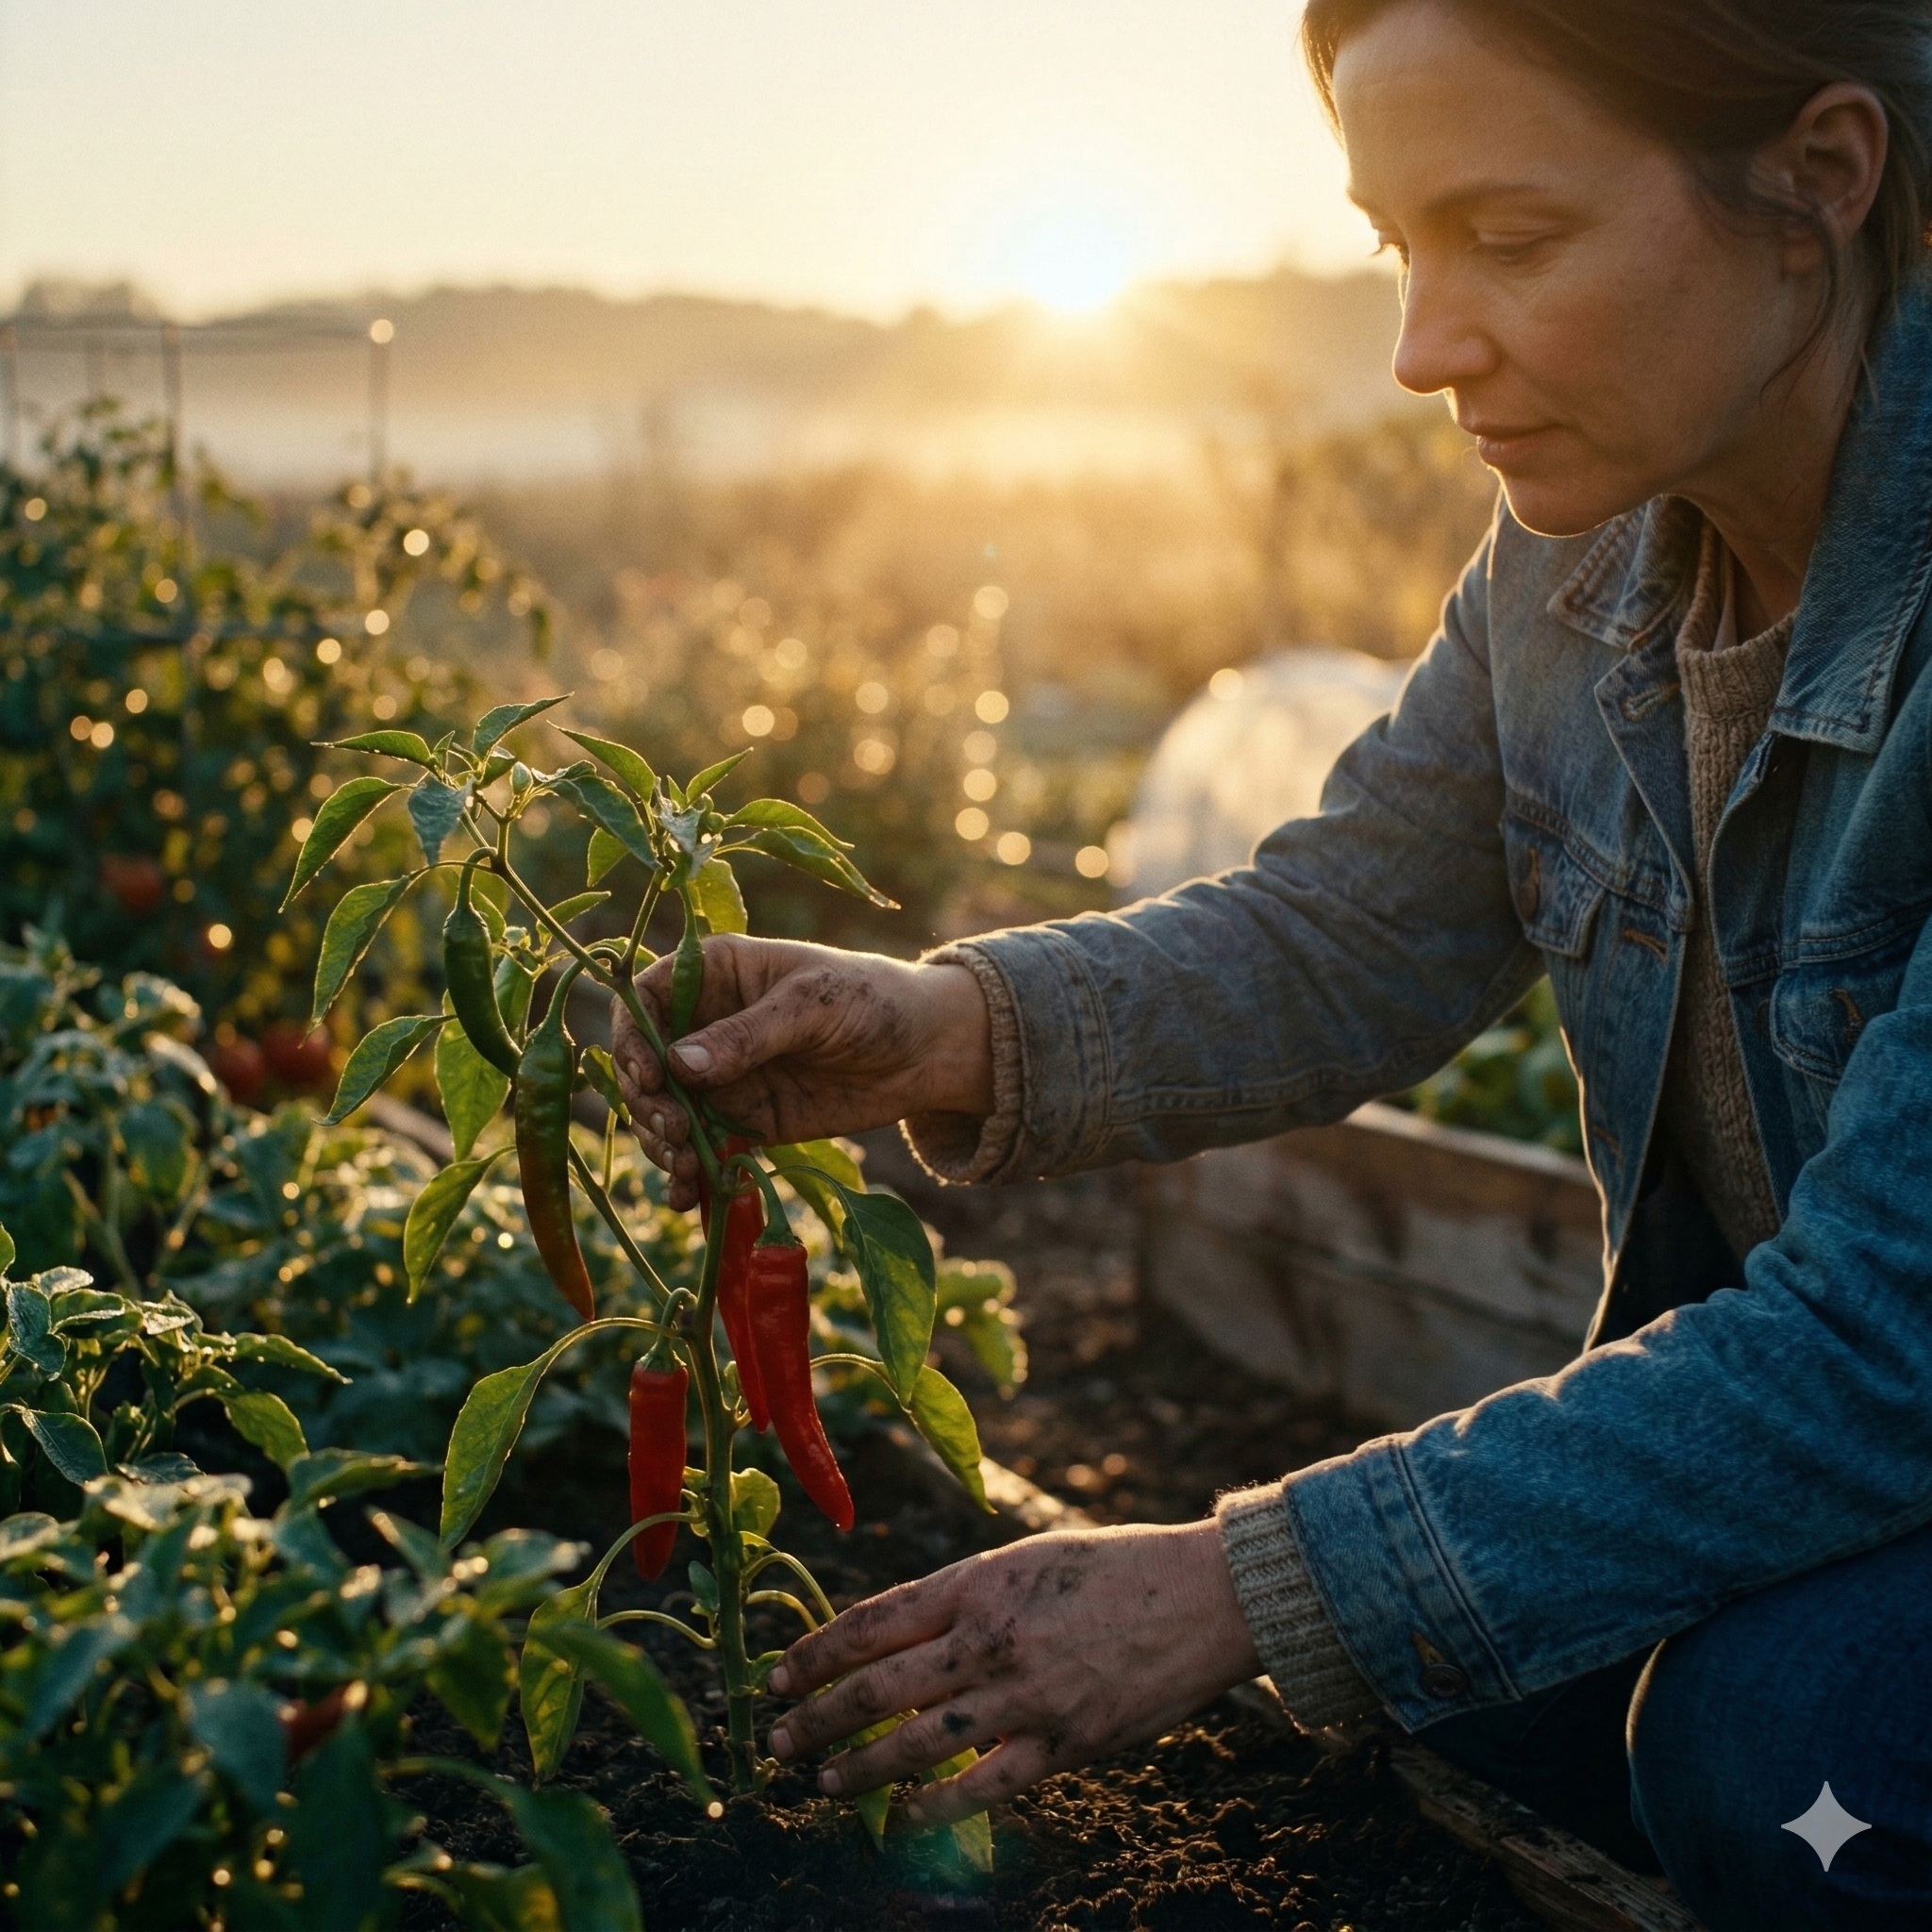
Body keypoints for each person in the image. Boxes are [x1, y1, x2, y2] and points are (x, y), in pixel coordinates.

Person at [613, 4, 1932, 1924]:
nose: (1422, 352)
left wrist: (1230, 1583)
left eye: (1513, 238)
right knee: (1483, 1684)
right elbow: (1355, 925)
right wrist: (942, 1025)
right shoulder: (1580, 562)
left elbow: (1883, 1347)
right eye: (1401, 250)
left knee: (1772, 1747)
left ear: (1817, 180)